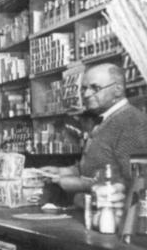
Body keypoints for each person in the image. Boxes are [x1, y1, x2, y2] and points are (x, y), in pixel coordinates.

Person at [41, 63, 147, 208]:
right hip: (94, 211)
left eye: (95, 88)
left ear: (118, 89)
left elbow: (136, 181)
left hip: (116, 219)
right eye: (84, 88)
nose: (86, 94)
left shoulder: (131, 122)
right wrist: (63, 171)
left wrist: (82, 184)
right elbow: (95, 164)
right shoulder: (105, 118)